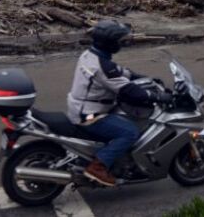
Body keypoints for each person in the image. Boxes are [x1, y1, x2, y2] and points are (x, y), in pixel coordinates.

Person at [67, 19, 167, 187]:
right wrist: (156, 97)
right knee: (129, 132)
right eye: (119, 41)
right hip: (90, 114)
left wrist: (143, 78)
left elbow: (121, 72)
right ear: (110, 43)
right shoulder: (102, 67)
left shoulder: (92, 55)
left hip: (83, 107)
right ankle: (97, 167)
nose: (121, 43)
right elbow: (128, 90)